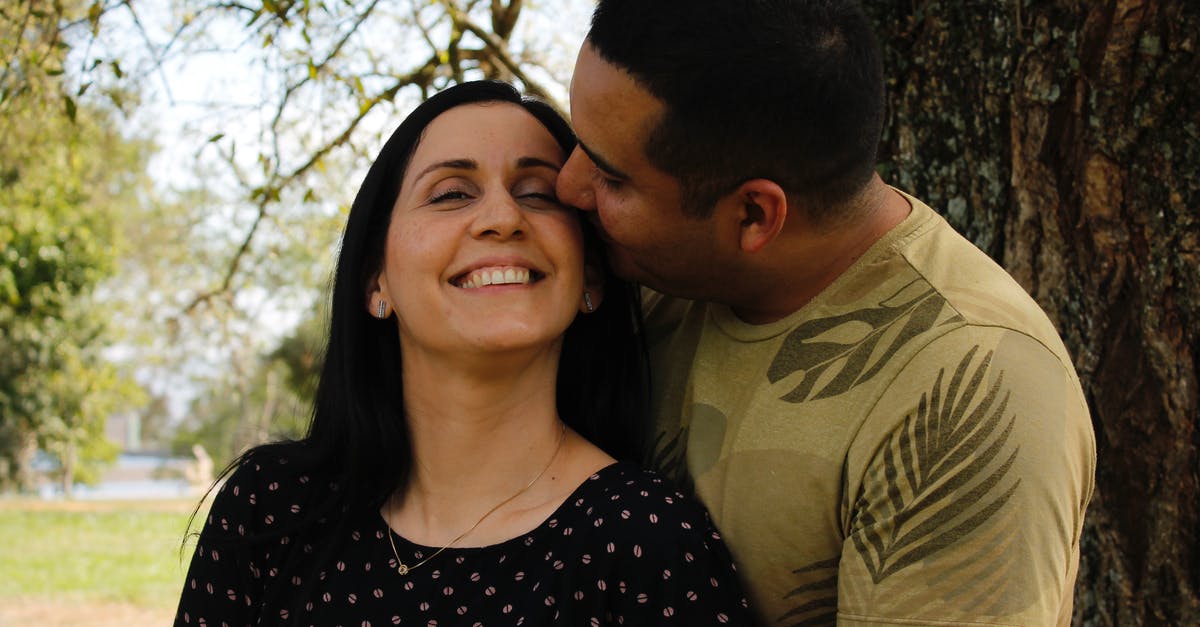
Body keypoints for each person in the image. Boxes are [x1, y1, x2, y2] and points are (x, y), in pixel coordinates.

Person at [554, 1, 1097, 625]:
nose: (568, 188)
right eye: (577, 142)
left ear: (755, 215)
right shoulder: (647, 265)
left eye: (611, 179)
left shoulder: (969, 391)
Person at [174, 80, 754, 626]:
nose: (503, 218)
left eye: (538, 194)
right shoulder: (271, 509)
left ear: (591, 278)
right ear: (376, 281)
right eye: (452, 194)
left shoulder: (647, 540)